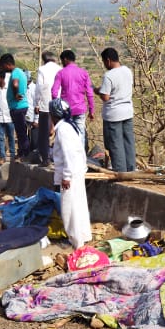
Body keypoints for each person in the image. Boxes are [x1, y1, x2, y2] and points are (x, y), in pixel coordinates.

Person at [50, 98, 92, 248]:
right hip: (77, 171)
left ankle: (76, 241)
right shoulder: (69, 127)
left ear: (53, 115)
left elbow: (69, 154)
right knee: (79, 205)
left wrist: (66, 176)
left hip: (70, 174)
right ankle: (83, 235)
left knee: (69, 209)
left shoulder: (63, 130)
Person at [97, 47, 135, 172]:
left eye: (104, 62)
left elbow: (106, 97)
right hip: (127, 112)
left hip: (114, 114)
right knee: (128, 142)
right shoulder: (127, 71)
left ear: (108, 60)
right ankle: (131, 169)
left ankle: (120, 171)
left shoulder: (109, 76)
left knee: (115, 144)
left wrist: (96, 90)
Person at [54, 49, 95, 147]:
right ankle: (80, 158)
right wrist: (91, 110)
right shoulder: (84, 73)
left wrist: (56, 108)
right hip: (80, 109)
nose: (62, 63)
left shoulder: (61, 73)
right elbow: (89, 92)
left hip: (66, 110)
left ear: (65, 59)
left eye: (62, 61)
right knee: (80, 134)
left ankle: (67, 157)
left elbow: (54, 92)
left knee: (66, 135)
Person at [0, 54, 30, 157]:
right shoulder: (19, 72)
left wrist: (16, 93)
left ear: (8, 65)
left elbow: (15, 83)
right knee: (20, 131)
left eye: (3, 66)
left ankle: (25, 154)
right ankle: (22, 152)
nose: (3, 68)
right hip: (19, 107)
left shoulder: (15, 73)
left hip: (18, 107)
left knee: (21, 132)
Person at [34, 51, 60, 164]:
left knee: (44, 132)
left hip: (46, 104)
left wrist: (36, 103)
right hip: (59, 104)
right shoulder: (60, 68)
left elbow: (39, 87)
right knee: (60, 131)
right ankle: (60, 157)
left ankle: (45, 158)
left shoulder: (42, 70)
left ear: (44, 59)